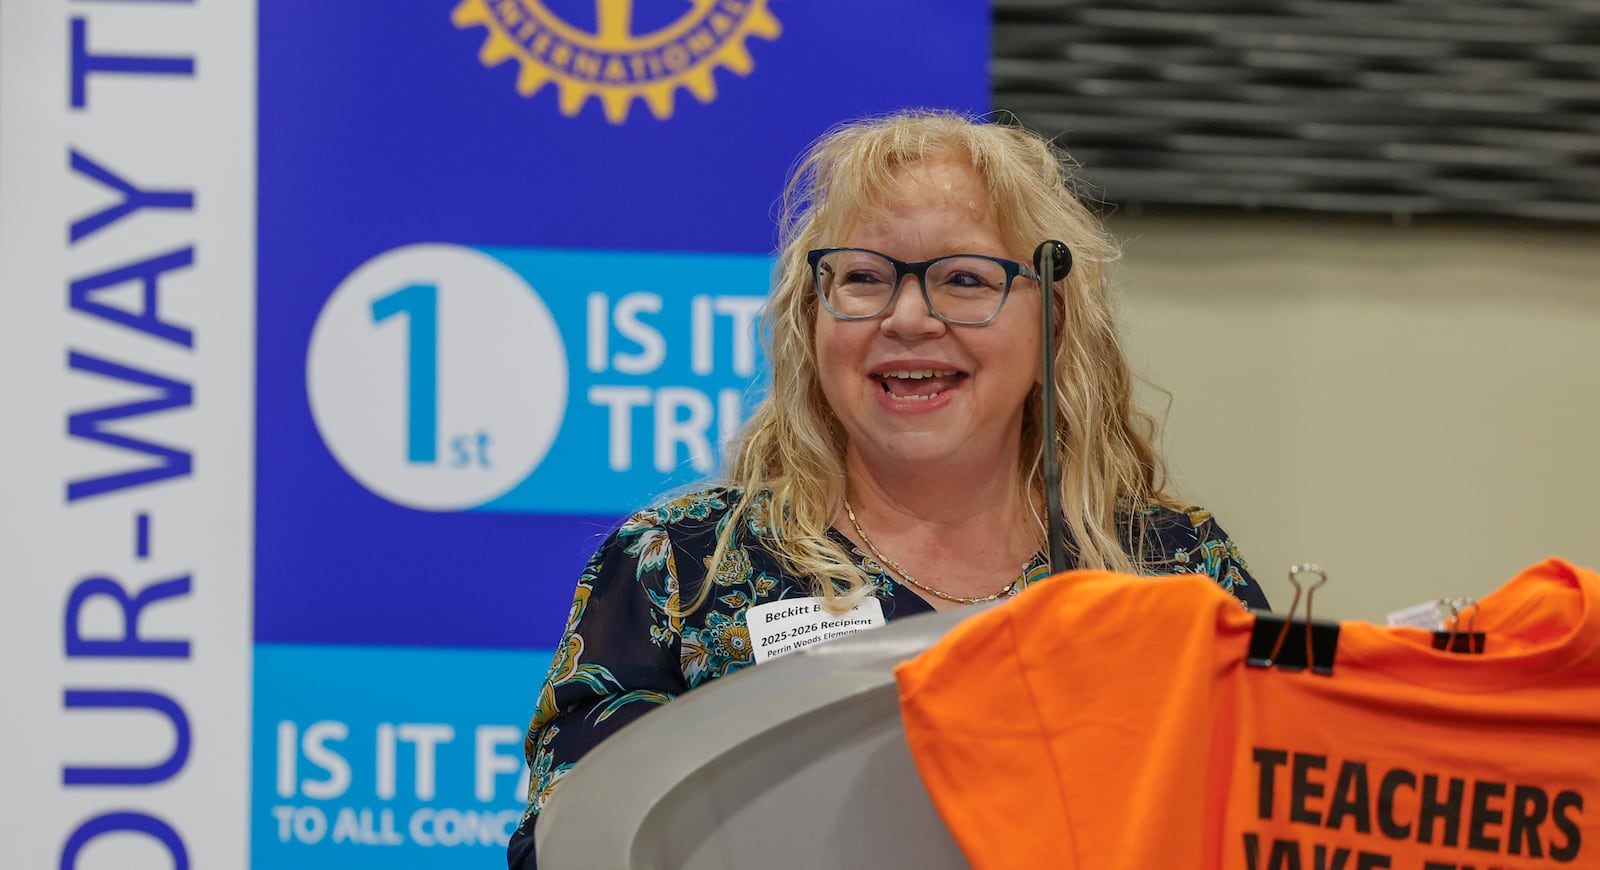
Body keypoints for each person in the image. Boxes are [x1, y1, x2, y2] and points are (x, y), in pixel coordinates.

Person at [506, 109, 1267, 868]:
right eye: (865, 278)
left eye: (964, 279)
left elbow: (1271, 823)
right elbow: (572, 846)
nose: (908, 319)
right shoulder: (679, 568)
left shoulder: (1175, 571)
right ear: (812, 320)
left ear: (1054, 328)